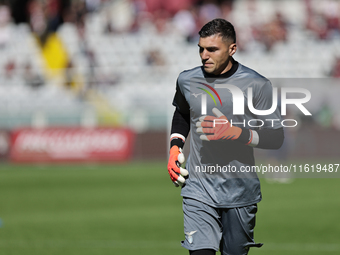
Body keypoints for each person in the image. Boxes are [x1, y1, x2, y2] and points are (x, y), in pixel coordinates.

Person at [167, 18, 284, 255]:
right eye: (201, 48)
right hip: (198, 188)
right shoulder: (187, 80)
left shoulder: (257, 84)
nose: (204, 55)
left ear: (232, 49)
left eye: (212, 49)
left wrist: (237, 133)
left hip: (240, 191)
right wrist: (175, 147)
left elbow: (275, 137)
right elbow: (182, 112)